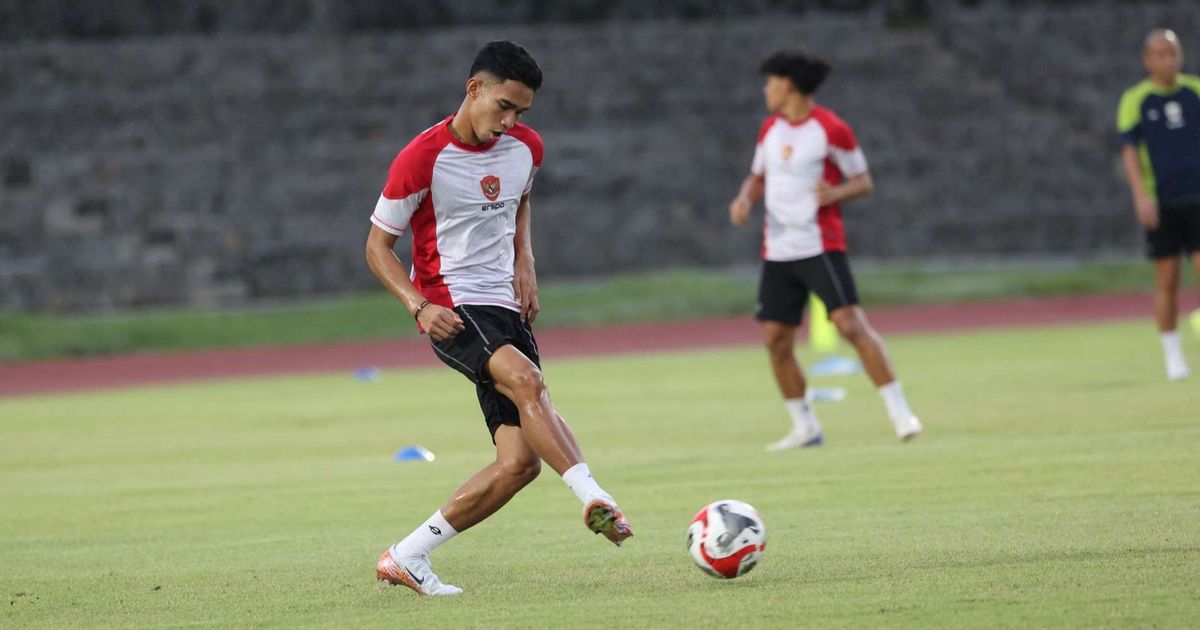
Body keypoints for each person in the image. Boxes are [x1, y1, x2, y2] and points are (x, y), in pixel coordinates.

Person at [364, 41, 632, 596]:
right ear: (474, 90)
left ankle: (407, 556)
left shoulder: (526, 148)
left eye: (521, 113)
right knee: (528, 383)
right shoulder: (422, 157)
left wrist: (525, 260)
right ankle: (594, 496)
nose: (510, 122)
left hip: (506, 306)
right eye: (503, 107)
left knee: (519, 464)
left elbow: (521, 201)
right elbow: (376, 248)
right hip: (452, 306)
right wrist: (419, 305)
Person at [727, 50, 922, 450]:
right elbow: (757, 175)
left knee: (850, 325)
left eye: (770, 82)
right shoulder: (770, 130)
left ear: (788, 85)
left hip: (819, 245)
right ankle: (805, 428)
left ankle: (901, 413)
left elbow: (863, 180)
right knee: (775, 339)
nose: (766, 90)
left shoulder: (831, 129)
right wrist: (745, 198)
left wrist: (835, 192)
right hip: (777, 251)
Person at [1118, 29, 1200, 381]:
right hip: (1162, 202)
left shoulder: (1195, 91)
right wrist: (1140, 195)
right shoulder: (1136, 100)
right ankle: (1172, 355)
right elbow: (1130, 151)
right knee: (1167, 277)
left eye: (1173, 53)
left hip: (1198, 196)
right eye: (1160, 54)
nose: (1168, 60)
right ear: (1147, 60)